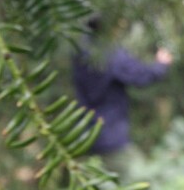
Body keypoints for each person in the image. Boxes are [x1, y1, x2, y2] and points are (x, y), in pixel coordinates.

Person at [71, 15, 173, 172]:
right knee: (143, 180)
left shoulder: (83, 48)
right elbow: (141, 75)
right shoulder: (108, 52)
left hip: (88, 135)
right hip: (110, 137)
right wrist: (161, 64)